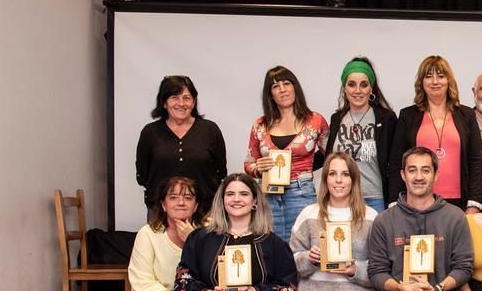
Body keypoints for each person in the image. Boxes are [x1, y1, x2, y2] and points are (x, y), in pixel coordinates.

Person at [368, 146, 474, 291]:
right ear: (403, 175)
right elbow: (376, 273)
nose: (418, 177)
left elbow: (464, 267)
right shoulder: (384, 221)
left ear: (436, 175)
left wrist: (438, 288)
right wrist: (402, 288)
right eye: (412, 170)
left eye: (425, 170)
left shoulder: (455, 217)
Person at [173, 173, 299, 291]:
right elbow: (182, 282)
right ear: (222, 200)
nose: (236, 199)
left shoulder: (273, 243)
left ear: (255, 201)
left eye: (244, 194)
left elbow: (289, 290)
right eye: (230, 194)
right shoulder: (199, 239)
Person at [290, 153, 379, 291]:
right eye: (332, 174)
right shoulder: (308, 214)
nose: (338, 180)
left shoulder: (371, 217)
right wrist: (308, 259)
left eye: (345, 174)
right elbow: (290, 261)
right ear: (325, 179)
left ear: (354, 180)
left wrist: (354, 270)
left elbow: (380, 269)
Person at [388, 55, 482, 212]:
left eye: (440, 76)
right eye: (428, 76)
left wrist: (474, 204)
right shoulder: (407, 116)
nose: (435, 81)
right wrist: (394, 202)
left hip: (459, 202)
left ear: (449, 81)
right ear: (421, 82)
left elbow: (476, 161)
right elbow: (395, 163)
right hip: (417, 201)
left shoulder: (466, 115)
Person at [244, 66, 329, 243]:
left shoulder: (315, 121)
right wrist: (257, 168)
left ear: (295, 87)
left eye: (286, 83)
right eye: (275, 86)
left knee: (303, 247)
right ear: (270, 94)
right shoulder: (260, 125)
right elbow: (249, 163)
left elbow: (333, 157)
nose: (282, 90)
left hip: (301, 192)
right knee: (270, 247)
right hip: (268, 195)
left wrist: (307, 168)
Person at [135, 75, 226, 217]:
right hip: (160, 212)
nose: (181, 103)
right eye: (174, 97)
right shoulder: (150, 132)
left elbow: (220, 171)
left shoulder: (210, 130)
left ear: (194, 102)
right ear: (164, 102)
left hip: (205, 212)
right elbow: (143, 175)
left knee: (204, 240)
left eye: (187, 98)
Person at [128, 176, 203, 291]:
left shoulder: (206, 233)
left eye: (188, 198)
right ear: (163, 204)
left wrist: (193, 240)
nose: (181, 202)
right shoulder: (148, 234)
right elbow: (141, 280)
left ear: (196, 205)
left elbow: (213, 272)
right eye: (173, 197)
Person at [324, 57, 396, 214]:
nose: (357, 90)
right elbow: (329, 157)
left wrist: (393, 199)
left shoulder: (386, 118)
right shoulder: (337, 119)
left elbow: (395, 162)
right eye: (351, 84)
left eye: (364, 85)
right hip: (342, 198)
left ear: (371, 89)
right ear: (344, 88)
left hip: (374, 199)